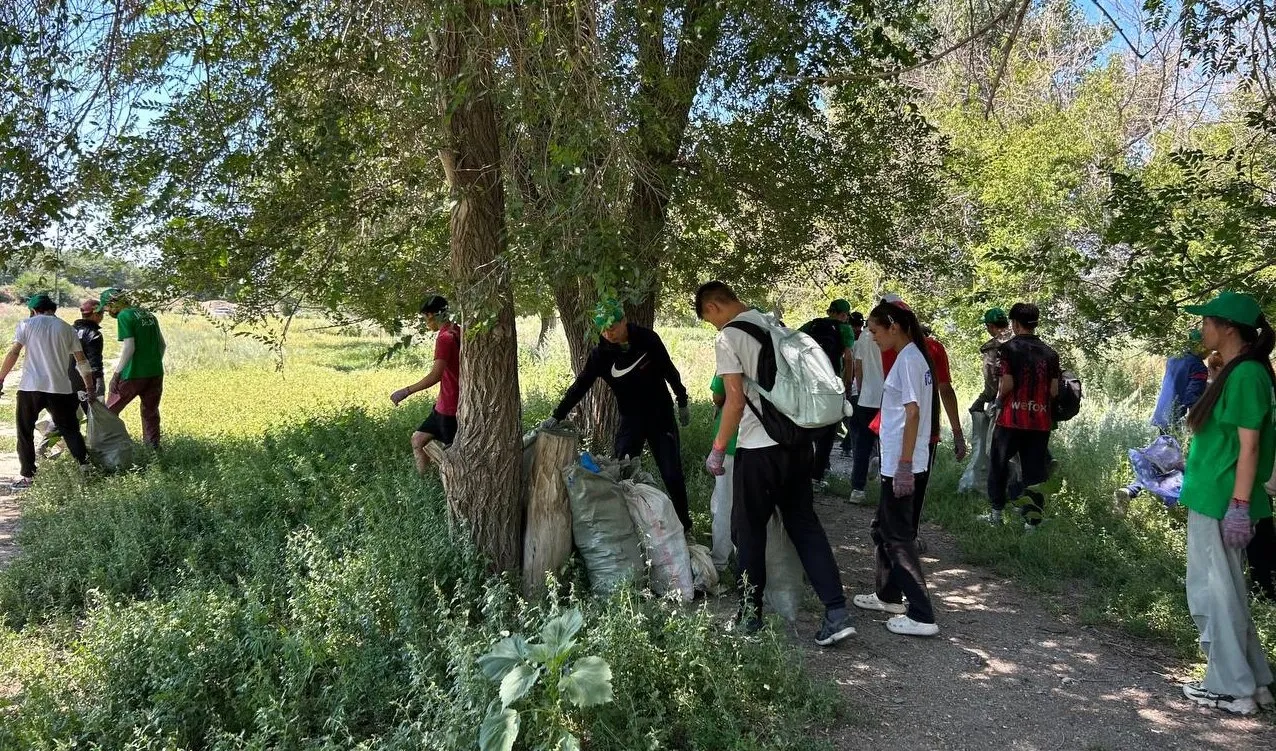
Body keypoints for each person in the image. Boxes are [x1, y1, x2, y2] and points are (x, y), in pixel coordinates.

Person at [696, 281, 855, 646]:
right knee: (804, 525)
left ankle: (750, 616)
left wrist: (718, 449)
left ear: (714, 307)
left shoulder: (729, 337)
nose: (713, 326)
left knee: (748, 528)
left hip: (758, 448)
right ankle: (836, 611)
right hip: (798, 443)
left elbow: (733, 401)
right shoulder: (776, 325)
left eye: (709, 320)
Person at [1176, 290, 1275, 715]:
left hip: (1221, 501)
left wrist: (1238, 505)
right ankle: (1253, 683)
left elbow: (1249, 448)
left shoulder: (1248, 376)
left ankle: (1231, 688)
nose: (1203, 328)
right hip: (1214, 494)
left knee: (1212, 595)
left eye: (1207, 321)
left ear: (1228, 327)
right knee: (1226, 593)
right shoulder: (1240, 372)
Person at [540, 299, 694, 532]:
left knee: (672, 474)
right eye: (602, 329)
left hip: (660, 416)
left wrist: (681, 400)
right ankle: (629, 529)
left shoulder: (647, 340)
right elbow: (580, 386)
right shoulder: (601, 355)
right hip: (630, 420)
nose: (607, 334)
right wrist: (557, 415)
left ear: (624, 321)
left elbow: (669, 370)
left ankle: (685, 526)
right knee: (622, 474)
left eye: (612, 327)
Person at [852, 301, 940, 636]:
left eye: (874, 331)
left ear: (894, 326)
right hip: (900, 460)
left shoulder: (910, 359)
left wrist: (904, 465)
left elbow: (913, 413)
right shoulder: (912, 356)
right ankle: (888, 595)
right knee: (882, 528)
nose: (872, 338)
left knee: (898, 537)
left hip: (905, 463)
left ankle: (921, 614)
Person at [0, 294, 96, 488]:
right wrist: (90, 386)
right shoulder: (67, 329)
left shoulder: (26, 324)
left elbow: (14, 352)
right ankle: (86, 469)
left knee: (25, 431)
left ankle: (28, 476)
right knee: (70, 430)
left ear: (34, 310)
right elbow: (81, 360)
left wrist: (1, 378)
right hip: (60, 388)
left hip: (30, 387)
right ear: (53, 309)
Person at [982, 302, 1061, 529]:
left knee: (998, 464)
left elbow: (1006, 383)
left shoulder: (1009, 349)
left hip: (1011, 419)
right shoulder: (1051, 353)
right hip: (1039, 422)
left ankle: (996, 514)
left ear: (1015, 324)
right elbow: (1054, 391)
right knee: (1034, 472)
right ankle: (1032, 523)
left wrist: (997, 402)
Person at [1114, 329, 1208, 507]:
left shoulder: (1174, 358)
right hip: (1179, 419)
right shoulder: (1198, 367)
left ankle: (1132, 492)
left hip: (1162, 415)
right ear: (1201, 346)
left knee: (1160, 463)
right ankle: (1170, 501)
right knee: (1176, 465)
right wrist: (1200, 424)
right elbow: (1192, 398)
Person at [390, 295, 461, 475]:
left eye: (425, 318)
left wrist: (406, 391)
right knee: (418, 439)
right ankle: (425, 483)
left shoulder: (445, 338)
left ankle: (445, 489)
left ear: (431, 315)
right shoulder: (457, 330)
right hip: (445, 403)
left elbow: (435, 375)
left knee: (451, 458)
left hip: (450, 407)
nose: (426, 323)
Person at [799, 299, 856, 488]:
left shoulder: (812, 324)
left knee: (807, 427)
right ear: (843, 314)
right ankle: (816, 477)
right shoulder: (845, 329)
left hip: (810, 382)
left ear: (830, 311)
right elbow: (848, 357)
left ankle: (800, 473)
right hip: (832, 384)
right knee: (828, 431)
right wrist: (847, 384)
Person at [101, 288, 166, 449]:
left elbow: (129, 347)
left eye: (107, 307)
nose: (108, 311)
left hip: (133, 373)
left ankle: (108, 448)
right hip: (155, 372)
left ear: (113, 303)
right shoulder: (149, 315)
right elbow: (162, 345)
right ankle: (153, 450)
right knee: (150, 412)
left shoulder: (125, 315)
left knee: (108, 412)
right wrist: (152, 361)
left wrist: (116, 374)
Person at [960, 308, 1012, 495]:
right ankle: (1017, 493)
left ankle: (995, 495)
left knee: (995, 451)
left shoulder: (994, 347)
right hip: (1029, 409)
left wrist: (981, 401)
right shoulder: (1022, 340)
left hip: (1002, 404)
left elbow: (991, 383)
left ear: (990, 326)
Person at [848, 313, 885, 504]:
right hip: (888, 400)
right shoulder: (895, 336)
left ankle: (857, 489)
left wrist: (860, 390)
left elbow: (858, 366)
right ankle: (888, 493)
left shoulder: (864, 336)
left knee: (862, 445)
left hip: (867, 398)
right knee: (889, 444)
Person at [708, 374, 738, 574]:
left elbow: (719, 396)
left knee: (724, 504)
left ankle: (720, 560)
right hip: (765, 444)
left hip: (731, 441)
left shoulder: (732, 346)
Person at [69, 298, 107, 407]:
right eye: (102, 313)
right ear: (95, 315)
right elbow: (94, 360)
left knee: (70, 417)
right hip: (87, 381)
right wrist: (99, 382)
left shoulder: (70, 330)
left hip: (67, 380)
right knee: (95, 416)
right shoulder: (94, 334)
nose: (102, 316)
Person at [839, 311, 866, 457]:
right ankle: (848, 445)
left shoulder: (864, 339)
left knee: (854, 417)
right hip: (847, 383)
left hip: (856, 385)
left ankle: (849, 446)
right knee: (850, 417)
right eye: (855, 325)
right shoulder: (845, 338)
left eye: (859, 325)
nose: (857, 329)